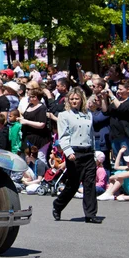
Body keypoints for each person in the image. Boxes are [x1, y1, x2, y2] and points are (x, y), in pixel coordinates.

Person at [52, 87, 102, 223]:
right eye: (72, 99)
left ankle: (90, 214)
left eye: (77, 99)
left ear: (82, 100)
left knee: (90, 184)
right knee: (73, 185)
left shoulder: (88, 114)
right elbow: (63, 136)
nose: (74, 101)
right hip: (74, 153)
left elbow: (91, 136)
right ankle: (58, 205)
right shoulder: (64, 115)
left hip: (88, 152)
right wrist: (68, 151)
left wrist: (94, 152)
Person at [19, 88, 51, 164]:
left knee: (40, 159)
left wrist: (26, 122)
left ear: (35, 97)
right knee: (28, 160)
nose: (29, 98)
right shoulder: (30, 105)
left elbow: (42, 124)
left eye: (30, 96)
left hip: (40, 138)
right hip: (28, 137)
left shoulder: (42, 108)